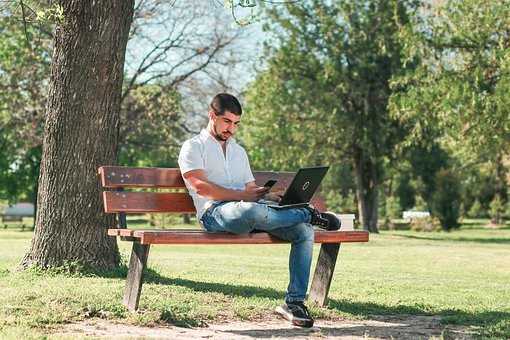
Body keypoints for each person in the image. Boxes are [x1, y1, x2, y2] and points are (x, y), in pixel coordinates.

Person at [178, 93, 340, 328]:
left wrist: (268, 195)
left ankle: (294, 303)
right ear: (212, 115)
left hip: (253, 208)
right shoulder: (193, 147)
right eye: (227, 122)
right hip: (215, 214)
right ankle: (308, 213)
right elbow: (201, 187)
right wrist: (245, 197)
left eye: (236, 124)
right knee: (251, 212)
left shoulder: (238, 152)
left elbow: (249, 188)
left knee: (303, 231)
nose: (231, 129)